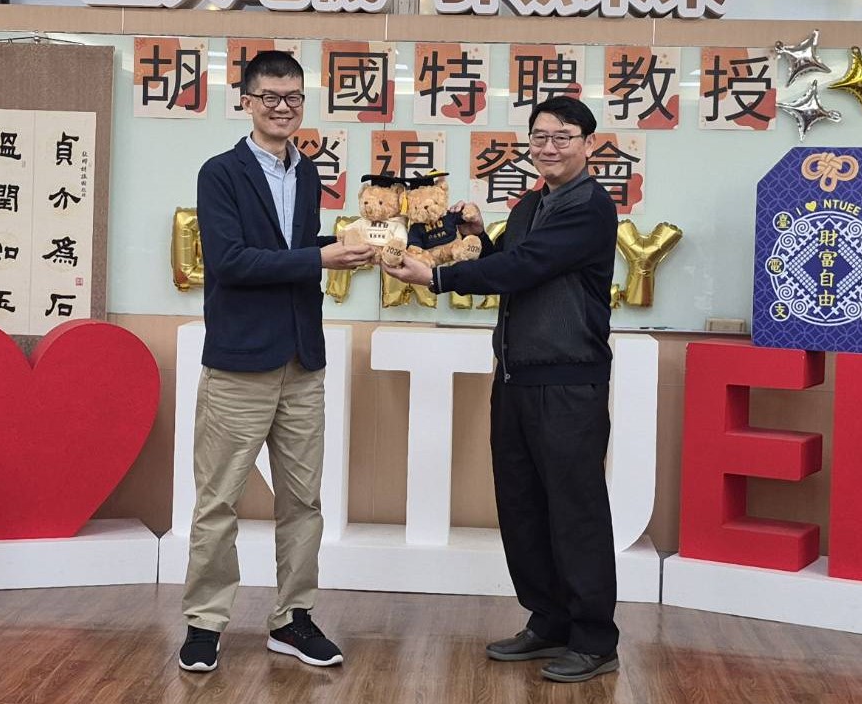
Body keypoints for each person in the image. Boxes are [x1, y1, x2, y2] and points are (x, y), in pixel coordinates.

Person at [384, 95, 621, 683]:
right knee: (522, 505)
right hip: (514, 375)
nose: (549, 147)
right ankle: (549, 621)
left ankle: (594, 638)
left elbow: (529, 266)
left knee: (575, 510)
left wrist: (438, 276)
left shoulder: (590, 207)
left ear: (589, 144)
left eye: (563, 137)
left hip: (568, 379)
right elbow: (513, 266)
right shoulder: (529, 204)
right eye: (539, 137)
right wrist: (477, 238)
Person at [180, 50, 373, 672]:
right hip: (239, 362)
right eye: (270, 97)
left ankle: (293, 618)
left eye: (292, 97)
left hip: (301, 360)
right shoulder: (221, 173)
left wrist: (350, 246)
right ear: (247, 101)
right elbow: (232, 261)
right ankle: (205, 622)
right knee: (218, 501)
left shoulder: (307, 171)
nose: (282, 108)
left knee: (303, 502)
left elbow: (293, 248)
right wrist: (319, 258)